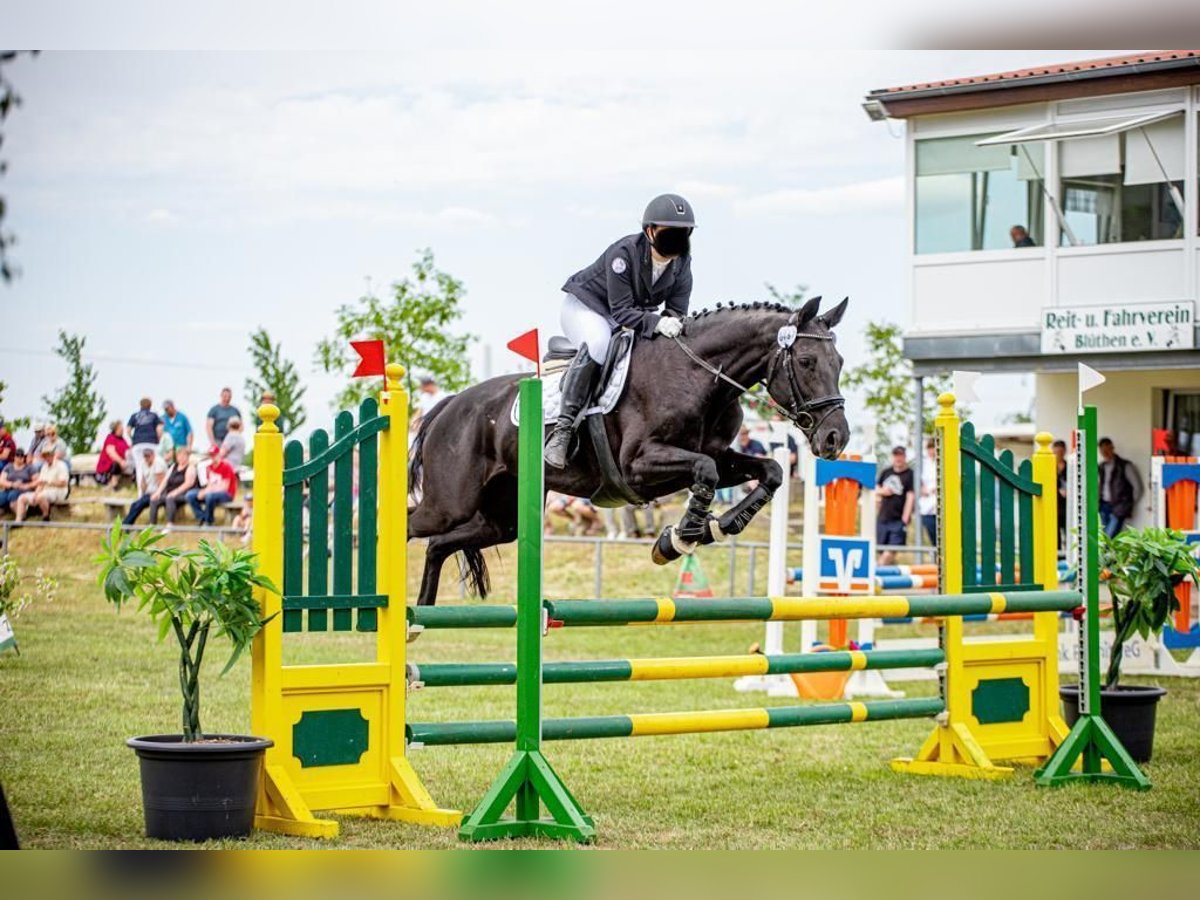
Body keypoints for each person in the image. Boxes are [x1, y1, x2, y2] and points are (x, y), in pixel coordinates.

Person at [544, 192, 696, 468]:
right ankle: (562, 432)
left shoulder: (682, 263)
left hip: (628, 315)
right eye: (670, 232)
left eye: (683, 233)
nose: (677, 239)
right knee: (600, 343)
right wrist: (657, 323)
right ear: (650, 231)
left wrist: (669, 327)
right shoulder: (624, 254)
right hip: (586, 307)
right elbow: (622, 311)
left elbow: (676, 312)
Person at [876, 445, 914, 566]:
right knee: (882, 551)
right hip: (883, 518)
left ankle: (876, 572)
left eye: (900, 455)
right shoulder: (886, 472)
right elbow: (876, 489)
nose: (898, 458)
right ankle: (882, 574)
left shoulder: (909, 474)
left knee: (891, 550)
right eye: (896, 455)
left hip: (898, 519)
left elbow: (910, 496)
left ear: (904, 457)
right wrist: (883, 492)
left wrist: (905, 517)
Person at [1098, 437, 1142, 537]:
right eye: (1102, 451)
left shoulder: (1125, 466)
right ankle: (1108, 553)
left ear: (1112, 448)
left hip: (1119, 506)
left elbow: (1137, 487)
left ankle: (1104, 553)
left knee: (1109, 536)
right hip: (1104, 505)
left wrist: (1128, 504)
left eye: (1107, 449)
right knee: (1104, 536)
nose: (1105, 453)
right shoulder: (1101, 467)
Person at [14, 448, 69, 522]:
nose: (47, 458)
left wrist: (48, 482)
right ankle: (18, 520)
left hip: (59, 491)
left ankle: (46, 516)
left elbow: (63, 483)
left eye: (48, 455)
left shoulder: (61, 465)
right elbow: (40, 483)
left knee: (41, 496)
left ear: (53, 455)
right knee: (22, 497)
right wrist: (36, 493)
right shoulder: (44, 467)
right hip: (45, 491)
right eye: (45, 456)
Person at [149, 445, 196, 525]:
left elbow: (188, 483)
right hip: (169, 492)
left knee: (170, 499)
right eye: (179, 455)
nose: (181, 457)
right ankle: (152, 524)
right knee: (154, 500)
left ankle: (170, 524)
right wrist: (158, 492)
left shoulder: (190, 467)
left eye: (183, 455)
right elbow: (165, 480)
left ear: (187, 457)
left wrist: (175, 492)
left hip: (183, 493)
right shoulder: (173, 466)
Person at [187, 453, 237, 525]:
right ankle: (202, 517)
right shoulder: (209, 467)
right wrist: (204, 491)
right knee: (190, 495)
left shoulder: (226, 466)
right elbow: (209, 484)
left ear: (219, 455)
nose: (212, 457)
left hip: (227, 494)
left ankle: (209, 521)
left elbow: (224, 487)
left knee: (209, 495)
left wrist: (206, 492)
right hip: (211, 492)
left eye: (214, 455)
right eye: (211, 456)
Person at [123, 447, 167, 525]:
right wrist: (142, 489)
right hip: (149, 492)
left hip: (159, 493)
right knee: (134, 504)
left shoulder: (158, 463)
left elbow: (162, 483)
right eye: (145, 456)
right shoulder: (143, 463)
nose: (146, 458)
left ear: (153, 455)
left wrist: (155, 494)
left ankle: (125, 525)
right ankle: (127, 525)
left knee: (140, 504)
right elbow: (143, 481)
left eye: (148, 456)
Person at [127, 398, 163, 485]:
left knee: (139, 466)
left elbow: (128, 430)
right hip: (151, 442)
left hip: (138, 443)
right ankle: (154, 486)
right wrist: (158, 439)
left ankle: (141, 490)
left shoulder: (134, 416)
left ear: (140, 405)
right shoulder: (154, 415)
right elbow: (159, 429)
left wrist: (133, 439)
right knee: (154, 464)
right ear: (150, 405)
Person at [95, 420, 133, 490]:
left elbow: (128, 450)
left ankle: (127, 484)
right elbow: (111, 453)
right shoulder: (110, 438)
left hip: (123, 464)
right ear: (115, 429)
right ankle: (113, 484)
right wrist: (121, 461)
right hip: (108, 465)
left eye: (122, 428)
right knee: (116, 464)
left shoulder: (122, 439)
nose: (122, 430)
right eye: (120, 428)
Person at [917, 438, 938, 546]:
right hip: (927, 506)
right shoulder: (923, 463)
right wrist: (921, 488)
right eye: (930, 448)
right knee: (933, 538)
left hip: (939, 505)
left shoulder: (943, 462)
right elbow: (917, 482)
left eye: (933, 448)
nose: (932, 451)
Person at [1052, 439, 1068, 552]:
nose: (1059, 454)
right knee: (1054, 534)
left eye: (1061, 452)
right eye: (1057, 452)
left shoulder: (1070, 467)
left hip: (1067, 505)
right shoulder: (1050, 467)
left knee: (1068, 531)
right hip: (1054, 505)